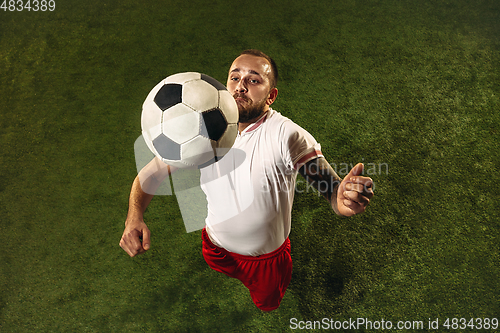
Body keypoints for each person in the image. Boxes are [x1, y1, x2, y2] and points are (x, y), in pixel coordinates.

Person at [120, 49, 374, 311]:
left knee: (267, 303)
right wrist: (134, 216)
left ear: (271, 96)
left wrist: (341, 199)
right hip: (215, 244)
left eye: (253, 80)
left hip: (265, 261)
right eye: (234, 77)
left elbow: (333, 192)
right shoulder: (199, 126)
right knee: (218, 265)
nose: (240, 86)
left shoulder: (287, 136)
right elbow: (151, 173)